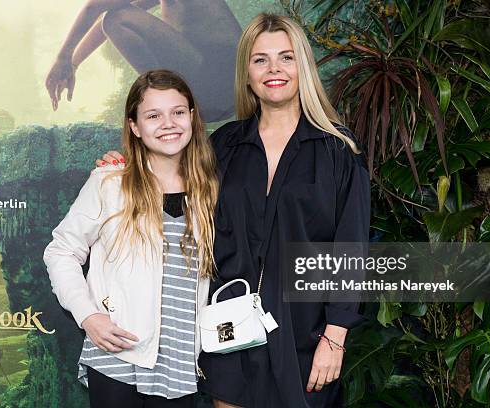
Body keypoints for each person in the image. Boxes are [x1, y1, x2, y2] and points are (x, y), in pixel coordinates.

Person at [98, 13, 371, 408]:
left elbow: (350, 250)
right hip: (230, 330)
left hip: (306, 335)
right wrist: (122, 169)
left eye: (286, 58)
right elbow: (167, 187)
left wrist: (335, 336)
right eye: (261, 60)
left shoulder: (338, 151)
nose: (274, 69)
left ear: (303, 68)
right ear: (246, 73)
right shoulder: (222, 145)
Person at [44, 69, 219, 408]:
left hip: (181, 362)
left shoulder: (209, 189)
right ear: (135, 127)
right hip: (118, 355)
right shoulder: (110, 183)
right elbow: (61, 251)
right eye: (153, 115)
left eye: (178, 112)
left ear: (193, 118)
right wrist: (88, 315)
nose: (168, 123)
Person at [45, 0, 242, 122]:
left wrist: (62, 58)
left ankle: (165, 102)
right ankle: (169, 103)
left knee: (117, 19)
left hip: (221, 78)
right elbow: (104, 19)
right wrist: (72, 64)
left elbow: (96, 5)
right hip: (214, 93)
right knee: (114, 18)